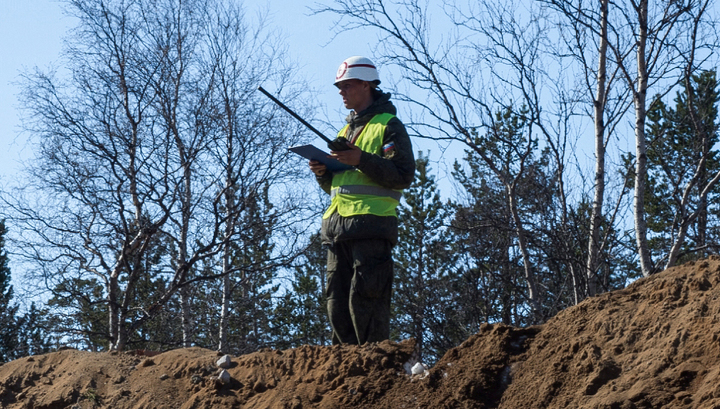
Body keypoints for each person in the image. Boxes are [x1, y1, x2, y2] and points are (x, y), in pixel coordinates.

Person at [309, 56, 415, 345]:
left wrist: (361, 159)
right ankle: (347, 371)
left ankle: (375, 370)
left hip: (371, 227)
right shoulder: (345, 131)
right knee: (337, 306)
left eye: (346, 85)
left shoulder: (388, 126)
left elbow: (403, 175)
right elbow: (340, 185)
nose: (341, 91)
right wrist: (322, 173)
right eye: (339, 86)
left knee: (366, 303)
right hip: (337, 231)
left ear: (366, 85)